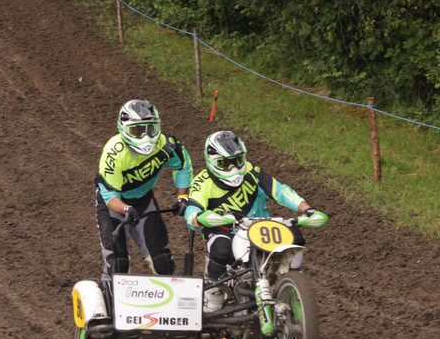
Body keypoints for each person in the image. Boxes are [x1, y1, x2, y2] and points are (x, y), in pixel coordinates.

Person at [183, 130, 318, 304]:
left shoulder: (253, 172)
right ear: (212, 162)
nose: (233, 168)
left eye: (237, 161)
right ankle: (212, 294)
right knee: (221, 248)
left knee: (295, 235)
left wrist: (307, 209)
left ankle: (293, 282)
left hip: (260, 229)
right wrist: (199, 218)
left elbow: (280, 191)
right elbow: (192, 211)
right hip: (225, 232)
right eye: (225, 163)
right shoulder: (202, 182)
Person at [95, 99, 193, 284]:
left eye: (151, 129)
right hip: (113, 205)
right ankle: (108, 296)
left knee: (163, 263)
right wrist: (125, 209)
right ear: (124, 129)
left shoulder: (168, 145)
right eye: (138, 130)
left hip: (143, 199)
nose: (146, 137)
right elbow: (109, 196)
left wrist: (183, 197)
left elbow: (182, 166)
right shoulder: (114, 153)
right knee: (118, 264)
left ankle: (175, 299)